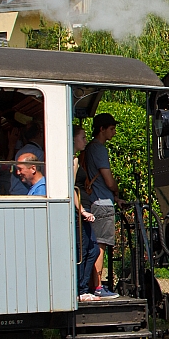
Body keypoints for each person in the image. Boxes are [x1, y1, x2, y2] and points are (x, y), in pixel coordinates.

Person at [82, 113, 121, 299]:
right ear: (101, 129)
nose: (114, 133)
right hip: (103, 202)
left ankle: (93, 284)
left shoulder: (89, 148)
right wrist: (116, 190)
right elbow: (108, 180)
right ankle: (98, 286)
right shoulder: (99, 149)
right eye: (111, 129)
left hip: (93, 200)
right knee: (101, 245)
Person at [72, 125, 101, 303]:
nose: (85, 140)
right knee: (83, 250)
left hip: (83, 210)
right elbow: (71, 187)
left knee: (93, 249)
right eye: (82, 137)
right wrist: (81, 210)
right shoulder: (72, 160)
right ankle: (80, 289)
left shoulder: (75, 158)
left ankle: (81, 287)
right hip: (79, 213)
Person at [9, 120, 44, 195]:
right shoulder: (39, 153)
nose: (18, 172)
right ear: (39, 134)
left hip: (17, 191)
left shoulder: (20, 151)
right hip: (24, 192)